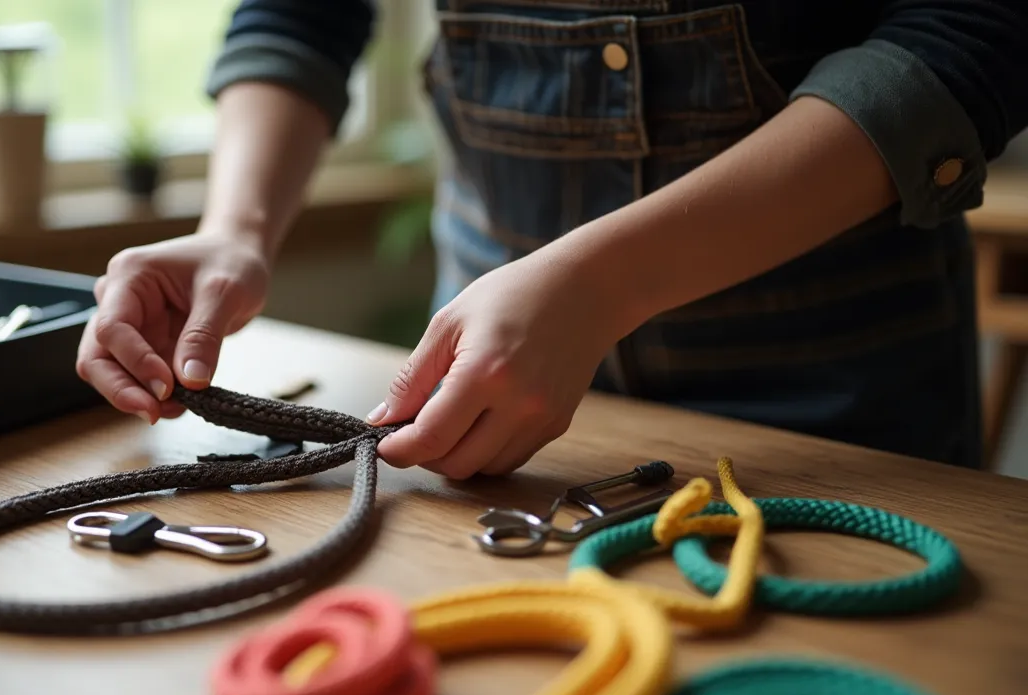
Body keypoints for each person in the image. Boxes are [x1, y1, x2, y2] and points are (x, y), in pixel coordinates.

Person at [77, 1, 1028, 478]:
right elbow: (301, 13)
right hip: (481, 431)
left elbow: (975, 31)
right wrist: (233, 230)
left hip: (839, 427)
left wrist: (602, 284)